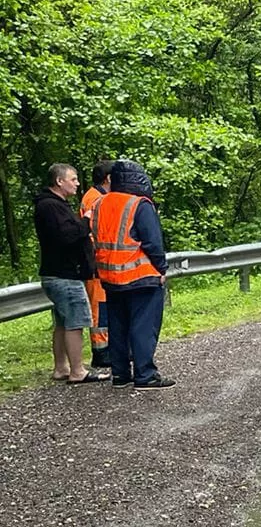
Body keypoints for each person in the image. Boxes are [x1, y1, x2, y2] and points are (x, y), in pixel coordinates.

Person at [91, 160, 172, 389]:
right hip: (140, 276)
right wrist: (161, 269)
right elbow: (153, 242)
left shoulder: (99, 203)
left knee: (118, 327)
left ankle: (121, 375)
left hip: (109, 276)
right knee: (143, 326)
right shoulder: (139, 204)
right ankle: (145, 375)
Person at [33, 164, 108, 384]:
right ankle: (77, 370)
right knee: (75, 323)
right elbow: (67, 236)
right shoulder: (50, 207)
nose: (77, 183)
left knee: (63, 323)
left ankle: (61, 367)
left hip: (60, 273)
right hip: (65, 275)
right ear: (59, 181)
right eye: (73, 179)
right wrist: (87, 221)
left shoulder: (55, 205)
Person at [79, 160, 114, 369]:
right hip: (95, 264)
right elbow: (92, 233)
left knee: (103, 308)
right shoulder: (96, 199)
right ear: (108, 178)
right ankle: (100, 352)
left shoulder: (96, 196)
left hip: (98, 262)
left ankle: (106, 348)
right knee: (99, 309)